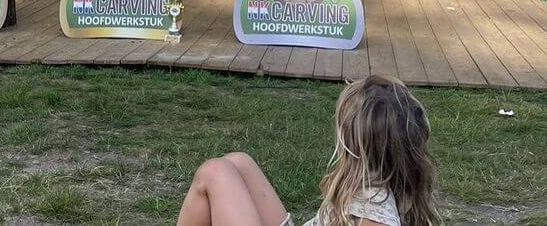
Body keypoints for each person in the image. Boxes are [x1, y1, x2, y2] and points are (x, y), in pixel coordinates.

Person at [178, 74, 440, 226]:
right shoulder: (374, 185)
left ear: (354, 144)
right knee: (238, 162)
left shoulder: (378, 216)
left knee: (215, 172)